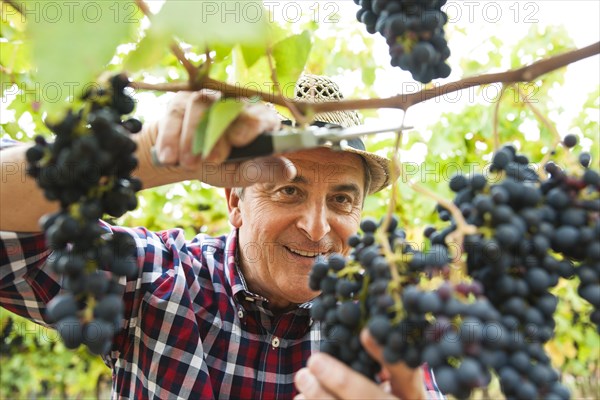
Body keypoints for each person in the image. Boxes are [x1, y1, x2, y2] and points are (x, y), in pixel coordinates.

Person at [0, 75, 443, 399]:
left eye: (342, 200)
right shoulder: (154, 279)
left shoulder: (383, 325)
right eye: (289, 190)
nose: (317, 227)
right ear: (235, 202)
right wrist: (152, 153)